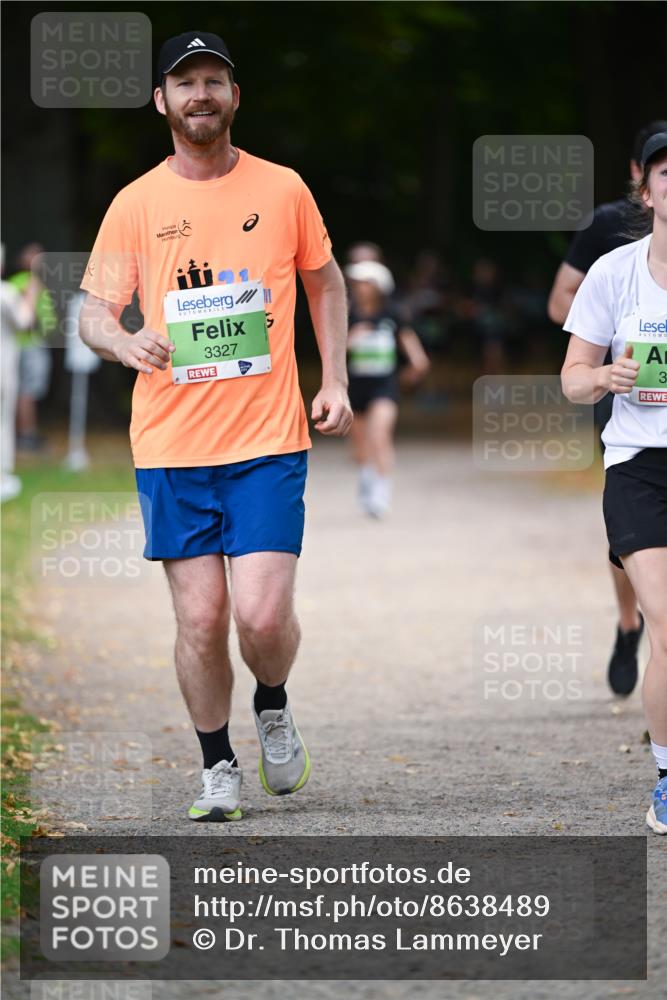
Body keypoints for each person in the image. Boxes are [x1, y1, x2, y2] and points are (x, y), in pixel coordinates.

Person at [79, 31, 352, 822]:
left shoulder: (284, 188)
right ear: (161, 102)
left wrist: (332, 377)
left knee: (261, 617)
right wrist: (124, 339)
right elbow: (94, 312)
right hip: (171, 443)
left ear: (235, 97)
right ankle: (216, 765)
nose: (201, 94)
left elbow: (326, 283)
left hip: (266, 439)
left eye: (214, 80)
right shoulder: (136, 202)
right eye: (185, 83)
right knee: (200, 619)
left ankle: (271, 698)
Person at [561, 132, 667, 834]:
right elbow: (571, 380)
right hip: (639, 468)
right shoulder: (612, 272)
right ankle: (665, 775)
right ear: (646, 190)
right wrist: (602, 377)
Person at [345, 259, 430, 517]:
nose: (360, 288)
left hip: (384, 386)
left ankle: (381, 490)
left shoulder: (393, 314)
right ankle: (367, 476)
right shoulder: (348, 314)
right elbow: (334, 348)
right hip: (355, 385)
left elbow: (413, 351)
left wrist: (416, 366)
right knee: (360, 446)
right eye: (357, 283)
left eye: (365, 283)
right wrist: (352, 339)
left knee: (379, 435)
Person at [8, 243, 58, 453]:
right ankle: (26, 435)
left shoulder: (39, 283)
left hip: (37, 342)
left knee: (28, 390)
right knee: (26, 390)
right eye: (33, 255)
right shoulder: (19, 283)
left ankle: (26, 433)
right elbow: (22, 317)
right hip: (27, 344)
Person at [1, 244, 41, 501]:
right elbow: (25, 320)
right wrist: (32, 293)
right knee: (3, 420)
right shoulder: (6, 293)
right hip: (3, 368)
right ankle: (3, 477)